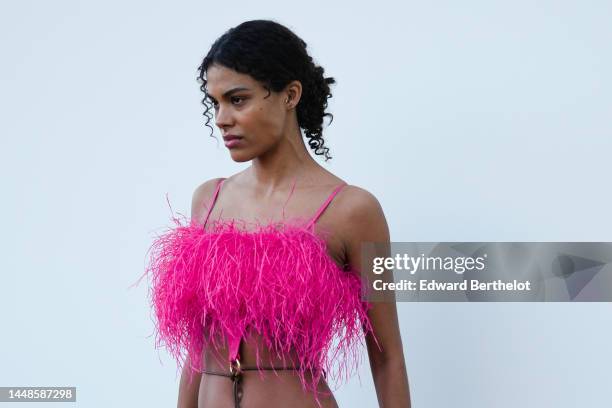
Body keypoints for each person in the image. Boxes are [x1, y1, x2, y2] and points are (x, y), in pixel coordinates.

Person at [147, 19, 411, 408]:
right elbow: (197, 350)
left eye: (237, 99)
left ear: (290, 95)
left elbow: (387, 356)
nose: (221, 118)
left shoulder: (352, 210)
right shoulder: (209, 198)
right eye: (214, 102)